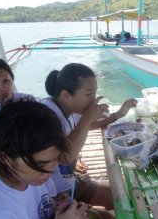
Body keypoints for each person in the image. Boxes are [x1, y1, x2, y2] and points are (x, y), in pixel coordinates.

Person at [42, 63, 137, 210]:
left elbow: (85, 127)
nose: (93, 100)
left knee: (124, 196)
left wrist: (116, 115)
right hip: (57, 196)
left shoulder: (65, 107)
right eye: (88, 94)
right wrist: (87, 117)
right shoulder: (47, 116)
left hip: (70, 182)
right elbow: (65, 156)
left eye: (94, 93)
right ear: (66, 95)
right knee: (116, 212)